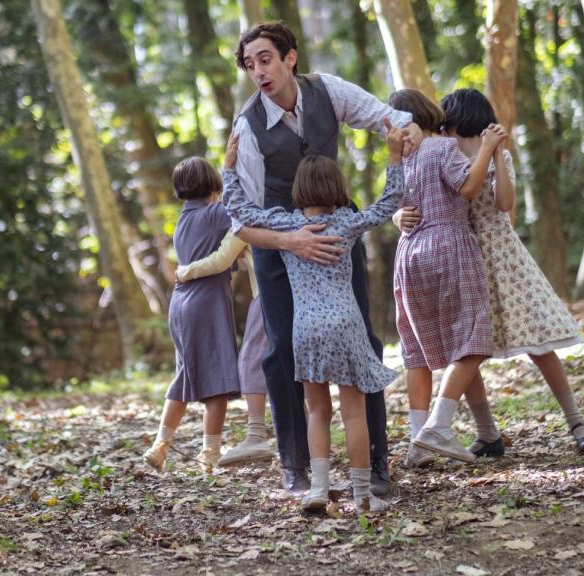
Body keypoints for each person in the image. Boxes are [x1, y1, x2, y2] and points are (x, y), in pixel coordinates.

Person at [231, 21, 422, 493]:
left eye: (265, 59)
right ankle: (297, 468)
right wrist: (293, 241)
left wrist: (408, 131)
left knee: (365, 342)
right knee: (282, 353)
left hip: (336, 241)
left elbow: (388, 118)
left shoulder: (327, 91)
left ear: (289, 57)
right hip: (279, 246)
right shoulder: (248, 126)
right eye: (250, 64)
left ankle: (376, 466)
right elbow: (242, 221)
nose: (258, 71)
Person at [396, 88, 584, 458]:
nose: (446, 129)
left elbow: (504, 204)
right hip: (459, 260)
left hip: (503, 258)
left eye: (450, 122)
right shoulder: (444, 152)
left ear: (461, 120)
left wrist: (497, 156)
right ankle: (487, 433)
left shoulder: (493, 153)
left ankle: (576, 421)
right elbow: (419, 199)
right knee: (467, 349)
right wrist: (397, 216)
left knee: (539, 341)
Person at [223, 122, 404, 513]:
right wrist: (393, 156)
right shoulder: (347, 223)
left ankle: (318, 489)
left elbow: (239, 210)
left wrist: (228, 167)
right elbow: (389, 203)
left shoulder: (287, 225)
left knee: (317, 410)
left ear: (298, 191)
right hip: (346, 326)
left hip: (305, 329)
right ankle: (362, 496)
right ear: (337, 187)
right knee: (354, 411)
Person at [387, 89, 506, 464]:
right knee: (472, 340)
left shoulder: (400, 160)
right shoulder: (440, 148)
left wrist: (395, 217)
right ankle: (438, 426)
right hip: (448, 244)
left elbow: (392, 205)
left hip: (408, 256)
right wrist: (487, 148)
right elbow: (468, 187)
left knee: (416, 352)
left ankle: (416, 444)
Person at [143, 156, 241, 474]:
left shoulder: (184, 219)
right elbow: (244, 210)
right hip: (207, 302)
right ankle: (209, 455)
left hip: (180, 304)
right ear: (213, 185)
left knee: (185, 374)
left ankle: (161, 445)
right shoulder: (217, 214)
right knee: (218, 380)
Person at [176, 231, 272, 467]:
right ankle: (306, 438)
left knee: (250, 361)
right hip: (301, 295)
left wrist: (184, 271)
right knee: (289, 366)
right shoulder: (289, 208)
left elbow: (220, 259)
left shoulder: (246, 214)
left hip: (268, 297)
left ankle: (256, 434)